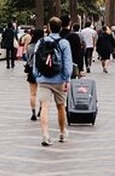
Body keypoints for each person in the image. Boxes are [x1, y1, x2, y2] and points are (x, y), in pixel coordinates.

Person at [33, 17, 72, 146]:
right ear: (61, 28)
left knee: (44, 106)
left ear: (49, 27)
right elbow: (67, 64)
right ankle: (62, 133)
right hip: (59, 79)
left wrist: (37, 76)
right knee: (61, 106)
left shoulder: (41, 42)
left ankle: (45, 134)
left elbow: (35, 61)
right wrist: (67, 79)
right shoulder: (64, 43)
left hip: (43, 79)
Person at [25, 28, 44, 121]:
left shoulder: (29, 47)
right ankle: (40, 110)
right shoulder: (44, 45)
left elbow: (27, 59)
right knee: (42, 93)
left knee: (33, 94)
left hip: (32, 71)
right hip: (42, 71)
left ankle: (33, 112)